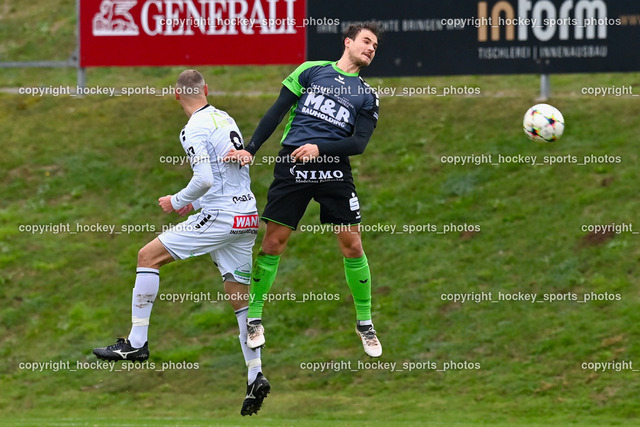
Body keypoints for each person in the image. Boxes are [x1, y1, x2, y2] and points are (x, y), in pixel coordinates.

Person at [93, 70, 270, 416]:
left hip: (221, 217)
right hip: (246, 215)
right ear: (206, 89)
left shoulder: (193, 128)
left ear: (177, 96)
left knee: (148, 256)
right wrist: (195, 203)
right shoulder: (224, 117)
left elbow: (203, 178)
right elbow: (226, 177)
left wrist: (176, 200)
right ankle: (255, 375)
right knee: (240, 299)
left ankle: (136, 343)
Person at [224, 22, 383, 358]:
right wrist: (250, 149)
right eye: (366, 42)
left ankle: (365, 324)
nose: (370, 48)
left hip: (333, 169)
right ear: (348, 42)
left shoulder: (367, 95)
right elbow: (277, 111)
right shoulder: (312, 71)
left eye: (375, 46)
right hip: (293, 164)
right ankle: (254, 318)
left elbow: (358, 143)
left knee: (352, 244)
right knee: (273, 242)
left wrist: (320, 149)